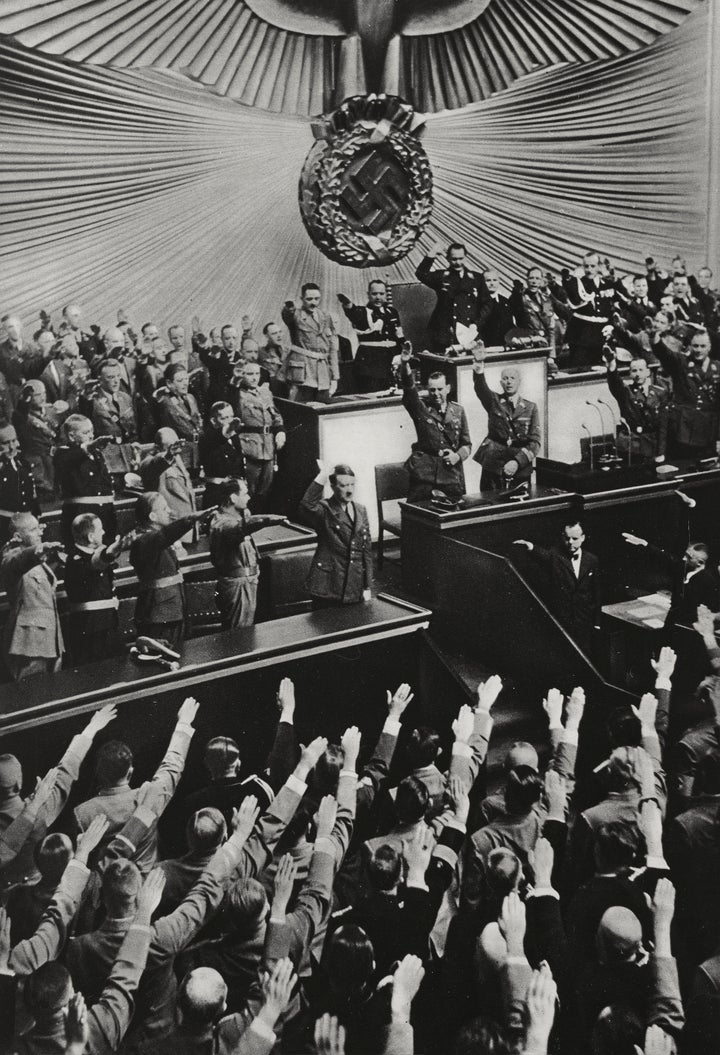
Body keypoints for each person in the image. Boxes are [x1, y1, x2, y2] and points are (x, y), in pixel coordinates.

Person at [129, 492, 210, 649]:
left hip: (172, 609)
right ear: (152, 516)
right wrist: (190, 519)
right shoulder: (144, 540)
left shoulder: (152, 537)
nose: (169, 511)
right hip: (159, 614)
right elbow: (165, 536)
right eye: (164, 508)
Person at [395, 341, 471, 502]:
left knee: (456, 514)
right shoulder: (421, 409)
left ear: (448, 388)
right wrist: (405, 364)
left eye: (440, 389)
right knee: (418, 515)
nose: (436, 393)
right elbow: (410, 391)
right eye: (432, 390)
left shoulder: (458, 411)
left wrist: (457, 456)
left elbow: (467, 444)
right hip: (424, 475)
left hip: (451, 474)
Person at [209, 478, 287, 629]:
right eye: (245, 494)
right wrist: (267, 520)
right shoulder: (221, 523)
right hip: (237, 585)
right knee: (238, 633)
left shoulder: (236, 516)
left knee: (247, 630)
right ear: (232, 498)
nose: (249, 497)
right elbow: (238, 529)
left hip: (247, 581)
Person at [513, 519, 600, 652]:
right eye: (567, 538)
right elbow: (542, 555)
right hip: (562, 622)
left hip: (584, 622)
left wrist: (597, 622)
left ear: (583, 538)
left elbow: (596, 592)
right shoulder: (555, 555)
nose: (570, 542)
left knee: (585, 658)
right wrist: (529, 546)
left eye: (574, 538)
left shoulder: (592, 560)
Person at [0, 511, 64, 680]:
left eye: (39, 528)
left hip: (48, 639)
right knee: (32, 694)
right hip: (29, 643)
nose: (40, 532)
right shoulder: (10, 557)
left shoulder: (38, 561)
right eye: (33, 529)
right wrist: (38, 549)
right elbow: (20, 561)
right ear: (18, 536)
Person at [299, 461, 372, 607]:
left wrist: (367, 586)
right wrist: (322, 476)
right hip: (329, 583)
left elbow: (367, 552)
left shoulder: (361, 510)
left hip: (354, 583)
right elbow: (307, 504)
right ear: (333, 487)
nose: (349, 490)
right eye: (344, 486)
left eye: (352, 484)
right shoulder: (325, 509)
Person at [471, 343, 541, 491]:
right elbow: (480, 387)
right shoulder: (493, 401)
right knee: (489, 502)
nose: (509, 381)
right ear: (501, 383)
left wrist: (517, 462)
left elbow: (535, 443)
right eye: (505, 378)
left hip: (520, 468)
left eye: (512, 378)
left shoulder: (531, 407)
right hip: (493, 465)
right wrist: (479, 363)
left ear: (519, 382)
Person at [63, 512, 127, 664]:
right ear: (91, 537)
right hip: (90, 627)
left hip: (107, 623)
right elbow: (95, 563)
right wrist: (112, 551)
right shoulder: (74, 560)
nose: (104, 532)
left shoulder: (92, 555)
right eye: (100, 530)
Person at [651, 324, 720, 460]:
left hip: (707, 431)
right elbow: (665, 354)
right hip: (683, 430)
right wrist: (654, 338)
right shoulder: (682, 362)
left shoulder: (717, 368)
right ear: (690, 346)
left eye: (702, 346)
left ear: (709, 347)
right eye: (695, 346)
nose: (698, 350)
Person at [621, 534, 719, 628]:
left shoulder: (707, 580)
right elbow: (666, 558)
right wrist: (644, 544)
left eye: (689, 557)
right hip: (673, 621)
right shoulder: (684, 566)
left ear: (700, 563)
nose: (683, 558)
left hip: (690, 627)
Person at [227, 361, 285, 512]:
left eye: (256, 374)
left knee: (266, 488)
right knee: (249, 490)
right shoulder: (238, 394)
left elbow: (275, 415)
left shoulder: (265, 392)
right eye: (249, 374)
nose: (254, 378)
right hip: (250, 447)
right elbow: (230, 404)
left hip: (268, 447)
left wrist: (280, 431)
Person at [54, 413, 116, 549]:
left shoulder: (97, 454)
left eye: (92, 431)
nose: (91, 436)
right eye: (86, 432)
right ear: (71, 436)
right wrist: (89, 447)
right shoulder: (63, 454)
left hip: (104, 515)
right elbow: (71, 458)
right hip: (82, 515)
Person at [415, 242, 486, 354]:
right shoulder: (442, 276)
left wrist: (477, 324)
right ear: (447, 258)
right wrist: (432, 253)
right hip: (445, 334)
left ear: (466, 257)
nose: (458, 262)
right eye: (454, 259)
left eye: (461, 258)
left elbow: (487, 304)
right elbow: (421, 273)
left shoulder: (477, 278)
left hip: (469, 331)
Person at [604, 345, 670, 462]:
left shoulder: (660, 393)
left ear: (648, 372)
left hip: (652, 445)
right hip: (632, 446)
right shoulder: (626, 392)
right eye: (634, 371)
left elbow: (663, 427)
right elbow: (615, 383)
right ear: (630, 373)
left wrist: (661, 452)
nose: (638, 374)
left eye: (641, 370)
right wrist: (611, 364)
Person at [338, 280, 403, 392]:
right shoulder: (363, 312)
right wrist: (347, 305)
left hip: (390, 361)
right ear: (368, 294)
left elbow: (399, 335)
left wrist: (401, 353)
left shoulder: (392, 312)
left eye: (381, 294)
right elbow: (353, 312)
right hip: (369, 365)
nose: (378, 297)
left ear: (385, 295)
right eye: (374, 294)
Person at [281, 283, 340, 402]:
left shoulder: (325, 316)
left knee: (323, 407)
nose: (313, 302)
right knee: (300, 408)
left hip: (323, 372)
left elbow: (332, 348)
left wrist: (335, 376)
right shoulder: (296, 315)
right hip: (303, 372)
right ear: (302, 299)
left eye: (317, 299)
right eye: (309, 299)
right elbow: (287, 315)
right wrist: (288, 307)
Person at [140, 428, 198, 547]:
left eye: (176, 444)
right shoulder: (149, 463)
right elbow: (156, 464)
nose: (175, 449)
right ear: (157, 447)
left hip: (188, 528)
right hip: (171, 530)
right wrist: (167, 455)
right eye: (170, 446)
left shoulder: (177, 458)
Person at [565, 251, 618, 367]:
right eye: (586, 266)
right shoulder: (578, 284)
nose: (589, 269)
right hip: (581, 334)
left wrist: (611, 325)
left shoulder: (608, 284)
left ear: (598, 266)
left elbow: (613, 308)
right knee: (580, 367)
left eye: (592, 266)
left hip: (602, 333)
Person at [11, 379, 59, 499]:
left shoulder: (52, 412)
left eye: (44, 393)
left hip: (54, 464)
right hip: (39, 468)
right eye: (37, 395)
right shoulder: (22, 418)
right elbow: (19, 419)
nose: (42, 398)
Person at [198, 401, 246, 510]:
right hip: (217, 496)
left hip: (235, 495)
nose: (230, 421)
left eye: (231, 416)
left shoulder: (234, 437)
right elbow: (219, 437)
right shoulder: (207, 438)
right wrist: (228, 429)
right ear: (213, 421)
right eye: (224, 418)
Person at [0, 424, 40, 547]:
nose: (12, 447)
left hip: (28, 525)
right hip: (5, 526)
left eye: (14, 440)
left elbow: (32, 495)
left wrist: (36, 517)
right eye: (6, 443)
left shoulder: (23, 463)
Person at [88, 358, 138, 442]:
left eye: (118, 376)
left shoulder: (126, 397)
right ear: (100, 379)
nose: (116, 381)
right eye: (111, 377)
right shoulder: (94, 400)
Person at [156, 363, 203, 441]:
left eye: (186, 379)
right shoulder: (167, 404)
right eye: (180, 380)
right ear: (169, 383)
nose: (185, 383)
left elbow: (199, 422)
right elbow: (186, 430)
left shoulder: (190, 397)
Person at [477, 270, 518, 347]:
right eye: (488, 280)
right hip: (487, 346)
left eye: (495, 280)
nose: (492, 283)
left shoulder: (505, 301)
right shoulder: (477, 303)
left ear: (499, 282)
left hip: (506, 346)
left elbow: (510, 324)